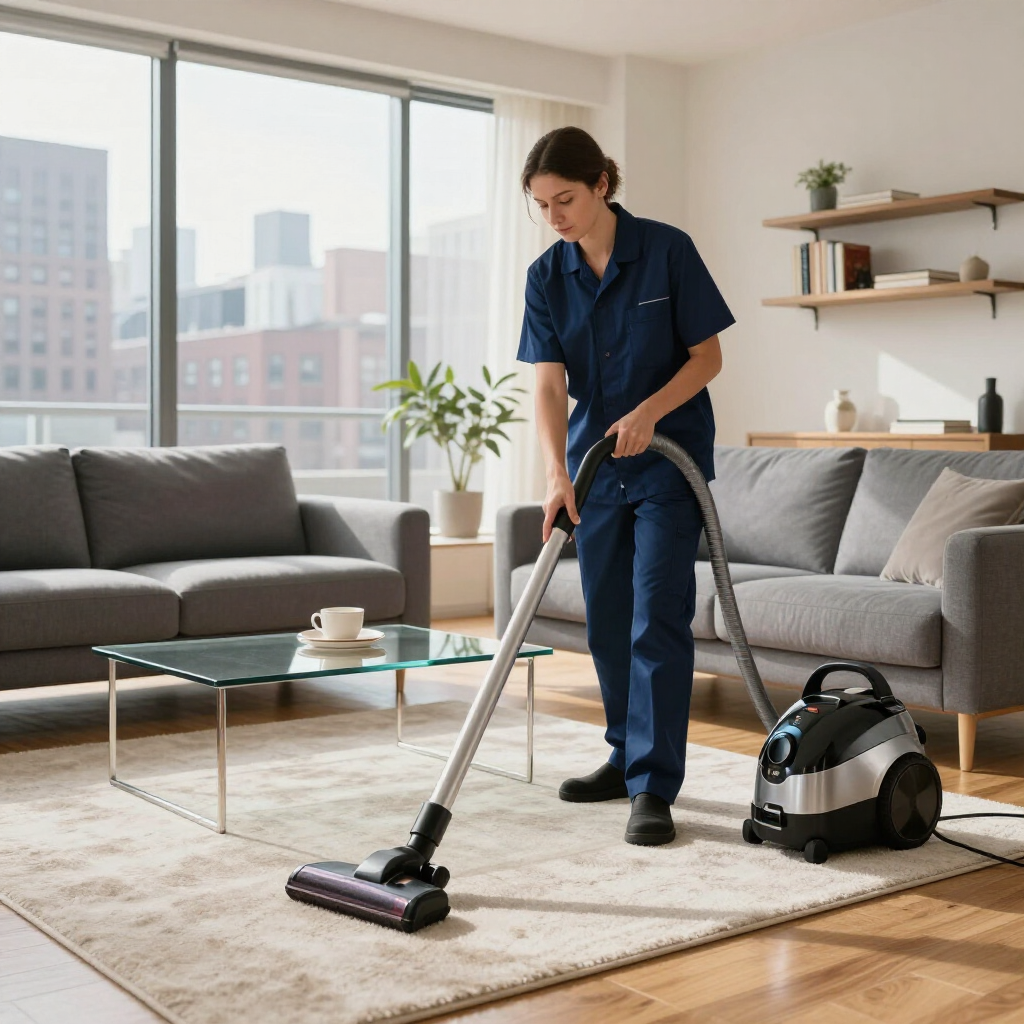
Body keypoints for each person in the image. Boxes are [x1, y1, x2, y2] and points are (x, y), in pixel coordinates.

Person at [516, 126, 734, 845]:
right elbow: (549, 386)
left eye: (565, 199)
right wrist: (556, 472)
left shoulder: (667, 251)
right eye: (541, 205)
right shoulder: (547, 277)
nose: (554, 216)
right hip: (594, 469)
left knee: (656, 617)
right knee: (607, 619)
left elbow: (707, 358)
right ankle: (623, 755)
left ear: (601, 185)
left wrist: (650, 412)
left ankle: (653, 786)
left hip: (670, 465)